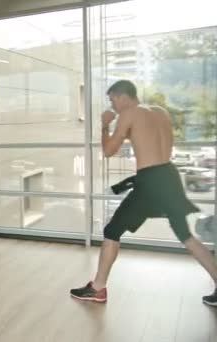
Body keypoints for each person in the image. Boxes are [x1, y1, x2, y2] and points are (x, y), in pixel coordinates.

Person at [70, 80, 216, 306]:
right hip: (169, 175)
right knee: (185, 235)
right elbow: (148, 140)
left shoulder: (128, 114)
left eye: (112, 100)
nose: (113, 106)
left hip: (150, 180)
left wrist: (105, 125)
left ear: (121, 97)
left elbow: (109, 151)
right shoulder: (160, 112)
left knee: (112, 230)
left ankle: (97, 289)